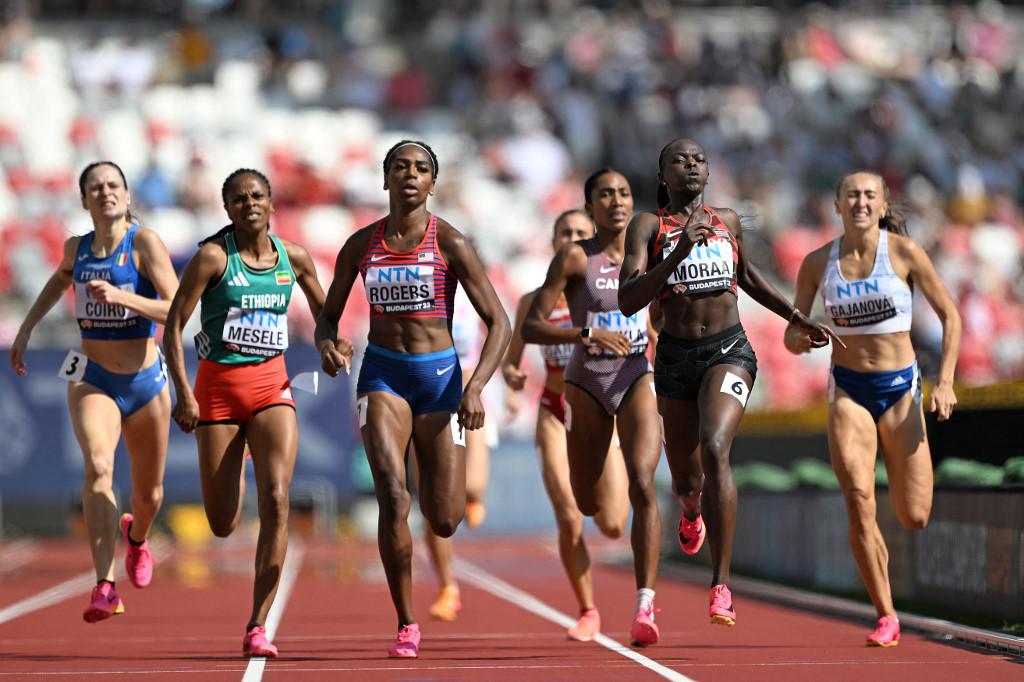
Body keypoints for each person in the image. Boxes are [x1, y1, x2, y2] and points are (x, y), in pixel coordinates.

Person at [618, 138, 839, 628]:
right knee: (686, 476)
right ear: (662, 173)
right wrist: (676, 255)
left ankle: (719, 584)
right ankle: (691, 509)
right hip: (675, 357)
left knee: (716, 446)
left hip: (728, 350)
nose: (691, 166)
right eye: (680, 160)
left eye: (699, 160)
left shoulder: (729, 221)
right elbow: (628, 299)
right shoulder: (648, 226)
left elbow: (750, 277)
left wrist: (798, 316)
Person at [314, 140, 511, 659]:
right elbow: (327, 317)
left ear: (432, 183)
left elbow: (500, 323)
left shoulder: (451, 243)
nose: (409, 174)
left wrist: (475, 387)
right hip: (382, 376)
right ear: (384, 180)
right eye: (399, 167)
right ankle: (405, 622)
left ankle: (434, 540)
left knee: (444, 517)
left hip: (441, 382)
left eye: (420, 168)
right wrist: (329, 346)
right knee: (393, 496)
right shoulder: (360, 245)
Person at [163, 168, 350, 658]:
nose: (250, 204)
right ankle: (236, 467)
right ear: (227, 208)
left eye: (258, 196)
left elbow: (324, 315)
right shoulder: (211, 257)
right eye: (240, 198)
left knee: (279, 499)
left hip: (272, 387)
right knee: (222, 522)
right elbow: (172, 328)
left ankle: (257, 624)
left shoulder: (295, 258)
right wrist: (183, 393)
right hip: (218, 394)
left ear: (271, 204)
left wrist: (330, 345)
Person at [784, 170, 961, 647]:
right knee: (858, 500)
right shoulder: (818, 263)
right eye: (851, 196)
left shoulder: (903, 253)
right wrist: (803, 338)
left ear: (882, 206)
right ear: (837, 206)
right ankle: (885, 614)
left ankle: (888, 598)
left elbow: (950, 316)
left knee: (914, 516)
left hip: (901, 389)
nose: (860, 202)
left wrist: (945, 382)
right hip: (849, 390)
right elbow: (791, 332)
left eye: (869, 196)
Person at [8, 161, 178, 622]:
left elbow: (178, 309)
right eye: (95, 188)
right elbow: (60, 278)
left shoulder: (143, 243)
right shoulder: (76, 248)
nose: (105, 193)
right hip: (93, 376)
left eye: (113, 186)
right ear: (84, 200)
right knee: (99, 466)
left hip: (144, 382)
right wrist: (26, 328)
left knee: (151, 495)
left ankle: (137, 538)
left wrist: (124, 298)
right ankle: (104, 585)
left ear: (126, 196)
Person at [522, 170, 663, 647]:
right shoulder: (575, 262)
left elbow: (664, 309)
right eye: (605, 194)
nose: (617, 201)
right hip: (576, 392)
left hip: (635, 379)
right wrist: (587, 334)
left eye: (624, 192)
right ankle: (586, 608)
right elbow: (530, 329)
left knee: (640, 489)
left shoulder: (648, 254)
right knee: (581, 509)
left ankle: (645, 603)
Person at [504, 208, 631, 641]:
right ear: (555, 240)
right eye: (565, 233)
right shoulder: (532, 301)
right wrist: (511, 376)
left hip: (602, 407)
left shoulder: (609, 290)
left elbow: (648, 332)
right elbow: (511, 357)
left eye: (581, 233)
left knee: (614, 524)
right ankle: (588, 610)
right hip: (556, 408)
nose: (572, 239)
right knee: (568, 513)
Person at [421, 285, 494, 623]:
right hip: (427, 395)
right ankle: (447, 585)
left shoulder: (476, 296)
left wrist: (499, 382)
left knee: (473, 486)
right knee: (431, 498)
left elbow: (497, 334)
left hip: (467, 393)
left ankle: (470, 497)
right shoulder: (425, 288)